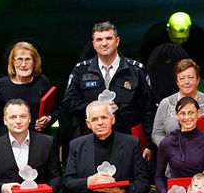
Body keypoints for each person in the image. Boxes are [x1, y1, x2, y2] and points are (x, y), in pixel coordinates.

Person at [62, 21, 155, 161]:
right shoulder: (81, 70)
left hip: (127, 141)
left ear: (117, 41)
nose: (104, 43)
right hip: (91, 142)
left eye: (108, 38)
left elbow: (148, 110)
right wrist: (92, 107)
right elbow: (68, 103)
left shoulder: (136, 70)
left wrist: (149, 144)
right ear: (93, 44)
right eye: (99, 39)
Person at [0, 41, 58, 138]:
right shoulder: (3, 84)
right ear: (13, 62)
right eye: (19, 59)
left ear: (34, 62)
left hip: (37, 139)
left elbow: (56, 111)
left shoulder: (42, 82)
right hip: (10, 140)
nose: (23, 64)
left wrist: (48, 119)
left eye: (28, 60)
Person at [151, 59, 204, 146]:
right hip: (173, 154)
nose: (186, 82)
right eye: (182, 78)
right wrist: (170, 147)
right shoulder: (165, 103)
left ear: (198, 80)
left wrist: (197, 142)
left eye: (190, 77)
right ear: (177, 82)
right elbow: (157, 134)